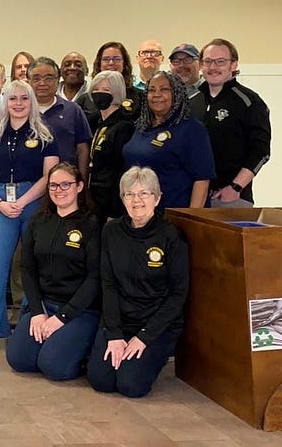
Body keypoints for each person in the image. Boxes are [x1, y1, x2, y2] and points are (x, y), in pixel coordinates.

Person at [88, 166, 189, 398]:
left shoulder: (171, 235)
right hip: (121, 320)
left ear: (157, 197)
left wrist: (144, 336)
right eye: (129, 194)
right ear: (122, 199)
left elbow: (178, 294)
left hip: (157, 323)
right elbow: (109, 284)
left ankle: (151, 358)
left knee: (130, 386)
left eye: (144, 193)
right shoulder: (111, 231)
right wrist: (114, 334)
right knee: (101, 380)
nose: (137, 200)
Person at [0, 80, 59, 351]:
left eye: (24, 98)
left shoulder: (46, 135)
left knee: (32, 268)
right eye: (13, 99)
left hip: (33, 202)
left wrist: (23, 200)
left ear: (32, 101)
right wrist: (0, 202)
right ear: (5, 102)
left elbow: (49, 176)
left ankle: (28, 326)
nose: (19, 103)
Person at [5, 162, 101, 380]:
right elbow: (27, 269)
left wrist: (62, 318)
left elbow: (95, 278)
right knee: (19, 360)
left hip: (79, 310)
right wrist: (38, 312)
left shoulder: (92, 224)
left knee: (54, 368)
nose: (59, 190)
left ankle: (82, 350)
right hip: (44, 304)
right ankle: (55, 342)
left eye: (66, 184)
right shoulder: (37, 222)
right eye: (53, 185)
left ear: (79, 187)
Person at [189, 38, 271, 207]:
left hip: (232, 197)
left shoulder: (250, 102)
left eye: (220, 62)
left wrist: (235, 187)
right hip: (193, 197)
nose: (213, 67)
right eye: (208, 61)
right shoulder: (191, 101)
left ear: (233, 65)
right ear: (201, 65)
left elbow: (261, 152)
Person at [122, 71, 214, 209]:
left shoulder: (191, 129)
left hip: (175, 216)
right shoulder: (140, 126)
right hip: (141, 215)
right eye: (152, 90)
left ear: (177, 94)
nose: (157, 95)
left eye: (164, 89)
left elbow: (202, 179)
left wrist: (192, 219)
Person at [28, 57, 92, 177]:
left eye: (48, 78)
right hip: (28, 183)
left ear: (58, 80)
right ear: (28, 81)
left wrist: (82, 181)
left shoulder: (73, 110)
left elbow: (82, 149)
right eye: (36, 78)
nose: (42, 83)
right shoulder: (20, 111)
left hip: (64, 184)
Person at [86, 71, 135, 222]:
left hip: (110, 201)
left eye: (106, 90)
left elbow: (121, 170)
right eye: (96, 89)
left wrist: (114, 210)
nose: (100, 94)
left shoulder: (123, 126)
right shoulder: (96, 122)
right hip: (94, 197)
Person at [78, 41, 142, 121]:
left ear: (124, 64)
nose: (111, 63)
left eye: (116, 59)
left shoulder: (140, 97)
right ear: (99, 64)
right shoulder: (85, 100)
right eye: (106, 59)